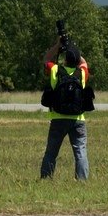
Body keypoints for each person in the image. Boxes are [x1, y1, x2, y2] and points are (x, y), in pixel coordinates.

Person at [40, 37, 90, 181]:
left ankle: (46, 179)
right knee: (80, 152)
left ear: (65, 60)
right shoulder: (82, 73)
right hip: (78, 119)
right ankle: (82, 180)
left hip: (58, 118)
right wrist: (72, 47)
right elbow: (84, 63)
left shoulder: (55, 70)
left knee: (51, 152)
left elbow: (46, 59)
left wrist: (58, 45)